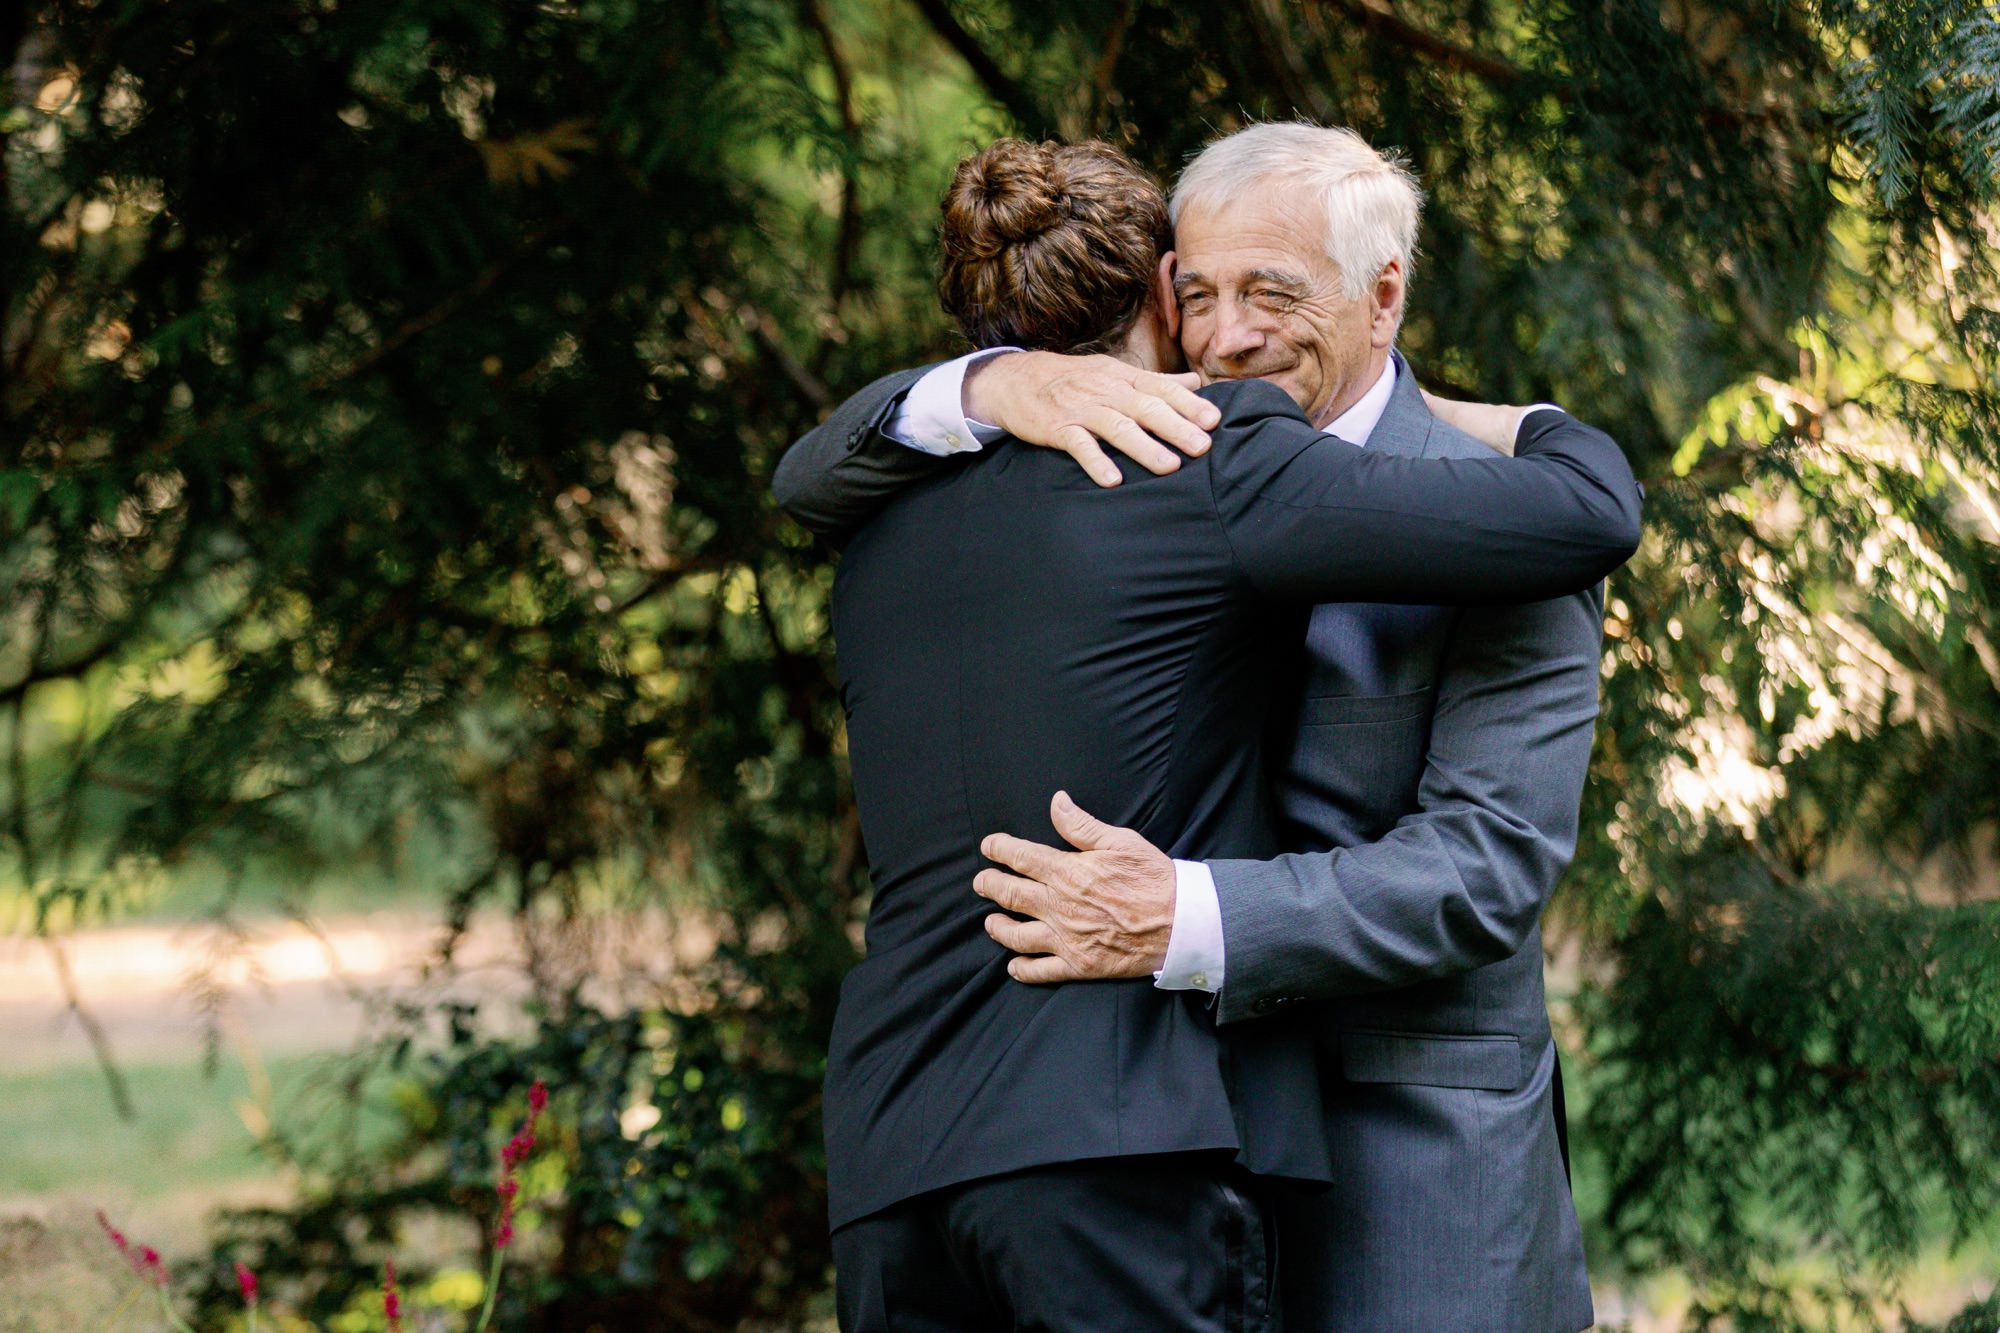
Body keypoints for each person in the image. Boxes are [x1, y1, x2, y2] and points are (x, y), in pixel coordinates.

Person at [777, 131, 1640, 1332]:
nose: (1228, 337)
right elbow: (810, 470)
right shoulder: (1120, 452)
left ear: (1382, 292)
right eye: (1200, 295)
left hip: (1405, 1172)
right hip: (1151, 1145)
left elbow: (1483, 868)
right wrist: (993, 383)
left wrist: (1186, 912)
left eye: (1270, 295)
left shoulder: (1488, 518)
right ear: (1156, 293)